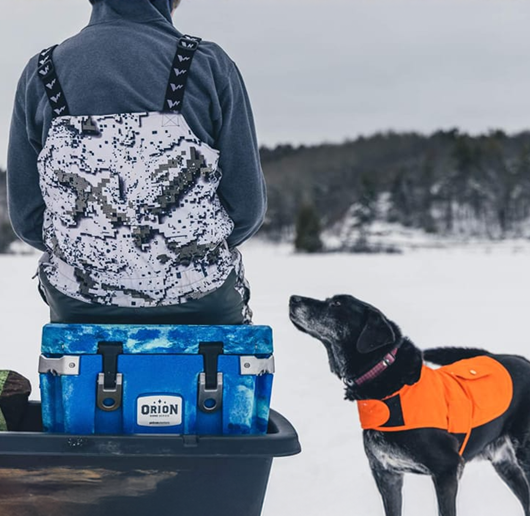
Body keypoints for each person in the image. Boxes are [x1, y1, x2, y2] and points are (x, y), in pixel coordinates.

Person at [7, 0, 266, 325]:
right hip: (203, 297)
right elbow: (246, 208)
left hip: (79, 301)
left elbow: (27, 217)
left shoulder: (41, 71)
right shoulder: (206, 64)